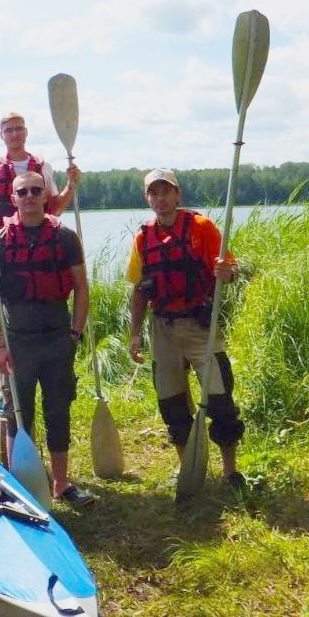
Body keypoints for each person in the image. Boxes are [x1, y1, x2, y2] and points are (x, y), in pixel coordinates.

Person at [127, 169, 246, 492]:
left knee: (220, 398)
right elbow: (139, 290)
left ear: (177, 195)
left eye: (166, 191)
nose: (160, 198)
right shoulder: (142, 238)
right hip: (163, 328)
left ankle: (230, 471)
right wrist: (135, 334)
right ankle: (187, 469)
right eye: (154, 193)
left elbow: (231, 270)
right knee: (172, 403)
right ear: (147, 198)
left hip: (199, 326)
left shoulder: (201, 228)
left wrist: (227, 272)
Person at [0, 170, 94, 506]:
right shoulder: (0, 242)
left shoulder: (65, 238)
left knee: (58, 410)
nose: (29, 196)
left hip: (57, 338)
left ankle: (60, 483)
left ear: (46, 195)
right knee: (19, 415)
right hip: (18, 341)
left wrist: (75, 333)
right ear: (14, 199)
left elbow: (81, 287)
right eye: (22, 192)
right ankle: (24, 485)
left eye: (35, 190)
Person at [0, 111, 80, 286]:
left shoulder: (43, 167)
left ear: (26, 132)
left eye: (19, 129)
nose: (15, 134)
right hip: (7, 248)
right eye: (9, 130)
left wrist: (70, 185)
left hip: (44, 246)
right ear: (1, 135)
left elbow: (56, 209)